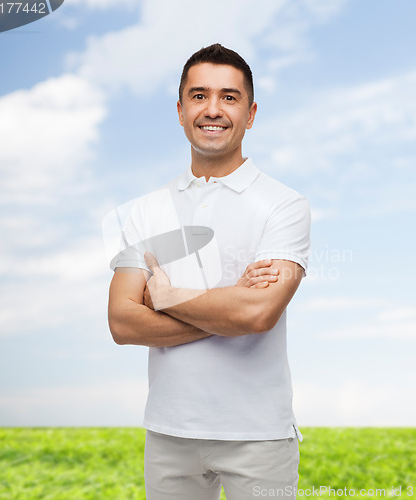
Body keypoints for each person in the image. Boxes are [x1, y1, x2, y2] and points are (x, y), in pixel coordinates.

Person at [107, 43, 311, 500]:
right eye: (198, 96)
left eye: (229, 97)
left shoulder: (285, 205)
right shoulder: (144, 211)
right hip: (167, 433)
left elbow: (257, 315)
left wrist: (165, 296)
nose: (212, 110)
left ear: (251, 113)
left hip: (257, 436)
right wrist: (227, 305)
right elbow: (121, 322)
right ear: (180, 111)